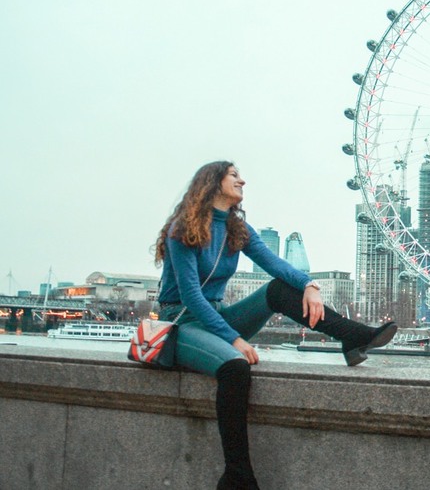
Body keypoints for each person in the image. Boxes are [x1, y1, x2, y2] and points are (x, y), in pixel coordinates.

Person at [154, 161, 397, 490]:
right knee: (235, 367)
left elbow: (276, 266)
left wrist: (309, 284)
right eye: (234, 175)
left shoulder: (238, 229)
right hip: (182, 322)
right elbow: (191, 297)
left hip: (217, 315)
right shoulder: (182, 229)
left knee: (278, 291)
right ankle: (237, 477)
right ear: (212, 182)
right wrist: (233, 339)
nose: (243, 180)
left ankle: (351, 336)